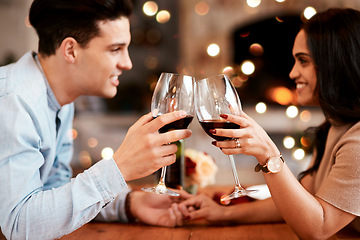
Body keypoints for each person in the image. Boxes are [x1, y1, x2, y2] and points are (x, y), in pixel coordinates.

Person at [0, 0, 191, 239]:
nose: (127, 63)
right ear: (70, 50)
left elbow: (53, 190)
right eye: (115, 49)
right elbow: (19, 225)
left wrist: (129, 204)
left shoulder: (61, 98)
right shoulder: (11, 103)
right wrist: (119, 168)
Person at [174, 8, 360, 239]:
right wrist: (222, 214)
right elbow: (303, 200)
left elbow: (318, 228)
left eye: (303, 61)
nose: (292, 73)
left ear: (336, 62)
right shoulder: (336, 126)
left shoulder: (358, 139)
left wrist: (269, 154)